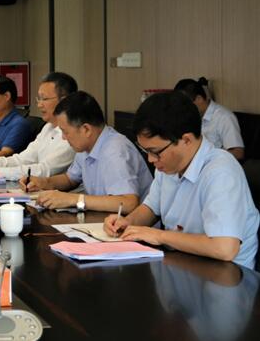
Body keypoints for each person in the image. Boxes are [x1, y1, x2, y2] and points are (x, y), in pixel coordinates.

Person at [103, 91, 258, 268]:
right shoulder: (168, 165)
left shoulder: (220, 171)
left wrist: (159, 236)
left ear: (186, 140)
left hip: (226, 275)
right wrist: (127, 223)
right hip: (183, 263)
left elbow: (224, 248)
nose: (151, 160)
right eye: (146, 151)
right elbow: (151, 208)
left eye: (155, 152)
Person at [21, 91, 152, 213]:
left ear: (86, 129)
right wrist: (44, 182)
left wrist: (73, 199)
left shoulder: (115, 151)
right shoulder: (86, 146)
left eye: (65, 132)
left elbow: (128, 203)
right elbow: (70, 179)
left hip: (132, 226)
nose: (63, 138)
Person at [0, 72, 77, 180]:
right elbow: (22, 159)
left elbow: (44, 170)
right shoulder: (48, 127)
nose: (39, 105)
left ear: (64, 101)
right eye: (39, 99)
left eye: (44, 99)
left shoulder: (72, 133)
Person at [174, 77, 244, 161]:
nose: (182, 110)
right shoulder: (189, 116)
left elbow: (238, 153)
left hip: (213, 164)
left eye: (185, 105)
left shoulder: (224, 117)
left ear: (199, 99)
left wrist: (208, 157)